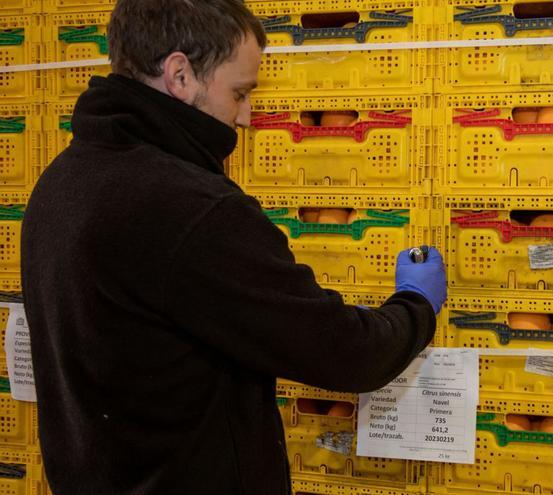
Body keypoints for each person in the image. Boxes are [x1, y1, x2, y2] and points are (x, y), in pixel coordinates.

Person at [19, 1, 446, 494]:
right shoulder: (191, 209)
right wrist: (416, 305)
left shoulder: (59, 185)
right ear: (180, 75)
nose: (246, 117)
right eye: (240, 92)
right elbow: (348, 354)